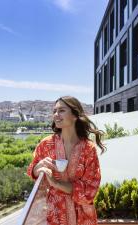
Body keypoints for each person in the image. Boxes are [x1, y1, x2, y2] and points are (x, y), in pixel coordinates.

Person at [27, 96, 105, 225]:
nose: (56, 115)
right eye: (54, 111)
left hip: (83, 217)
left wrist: (56, 184)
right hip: (55, 214)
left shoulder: (88, 148)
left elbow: (91, 189)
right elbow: (32, 171)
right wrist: (37, 168)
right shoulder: (46, 144)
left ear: (75, 115)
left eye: (61, 110)